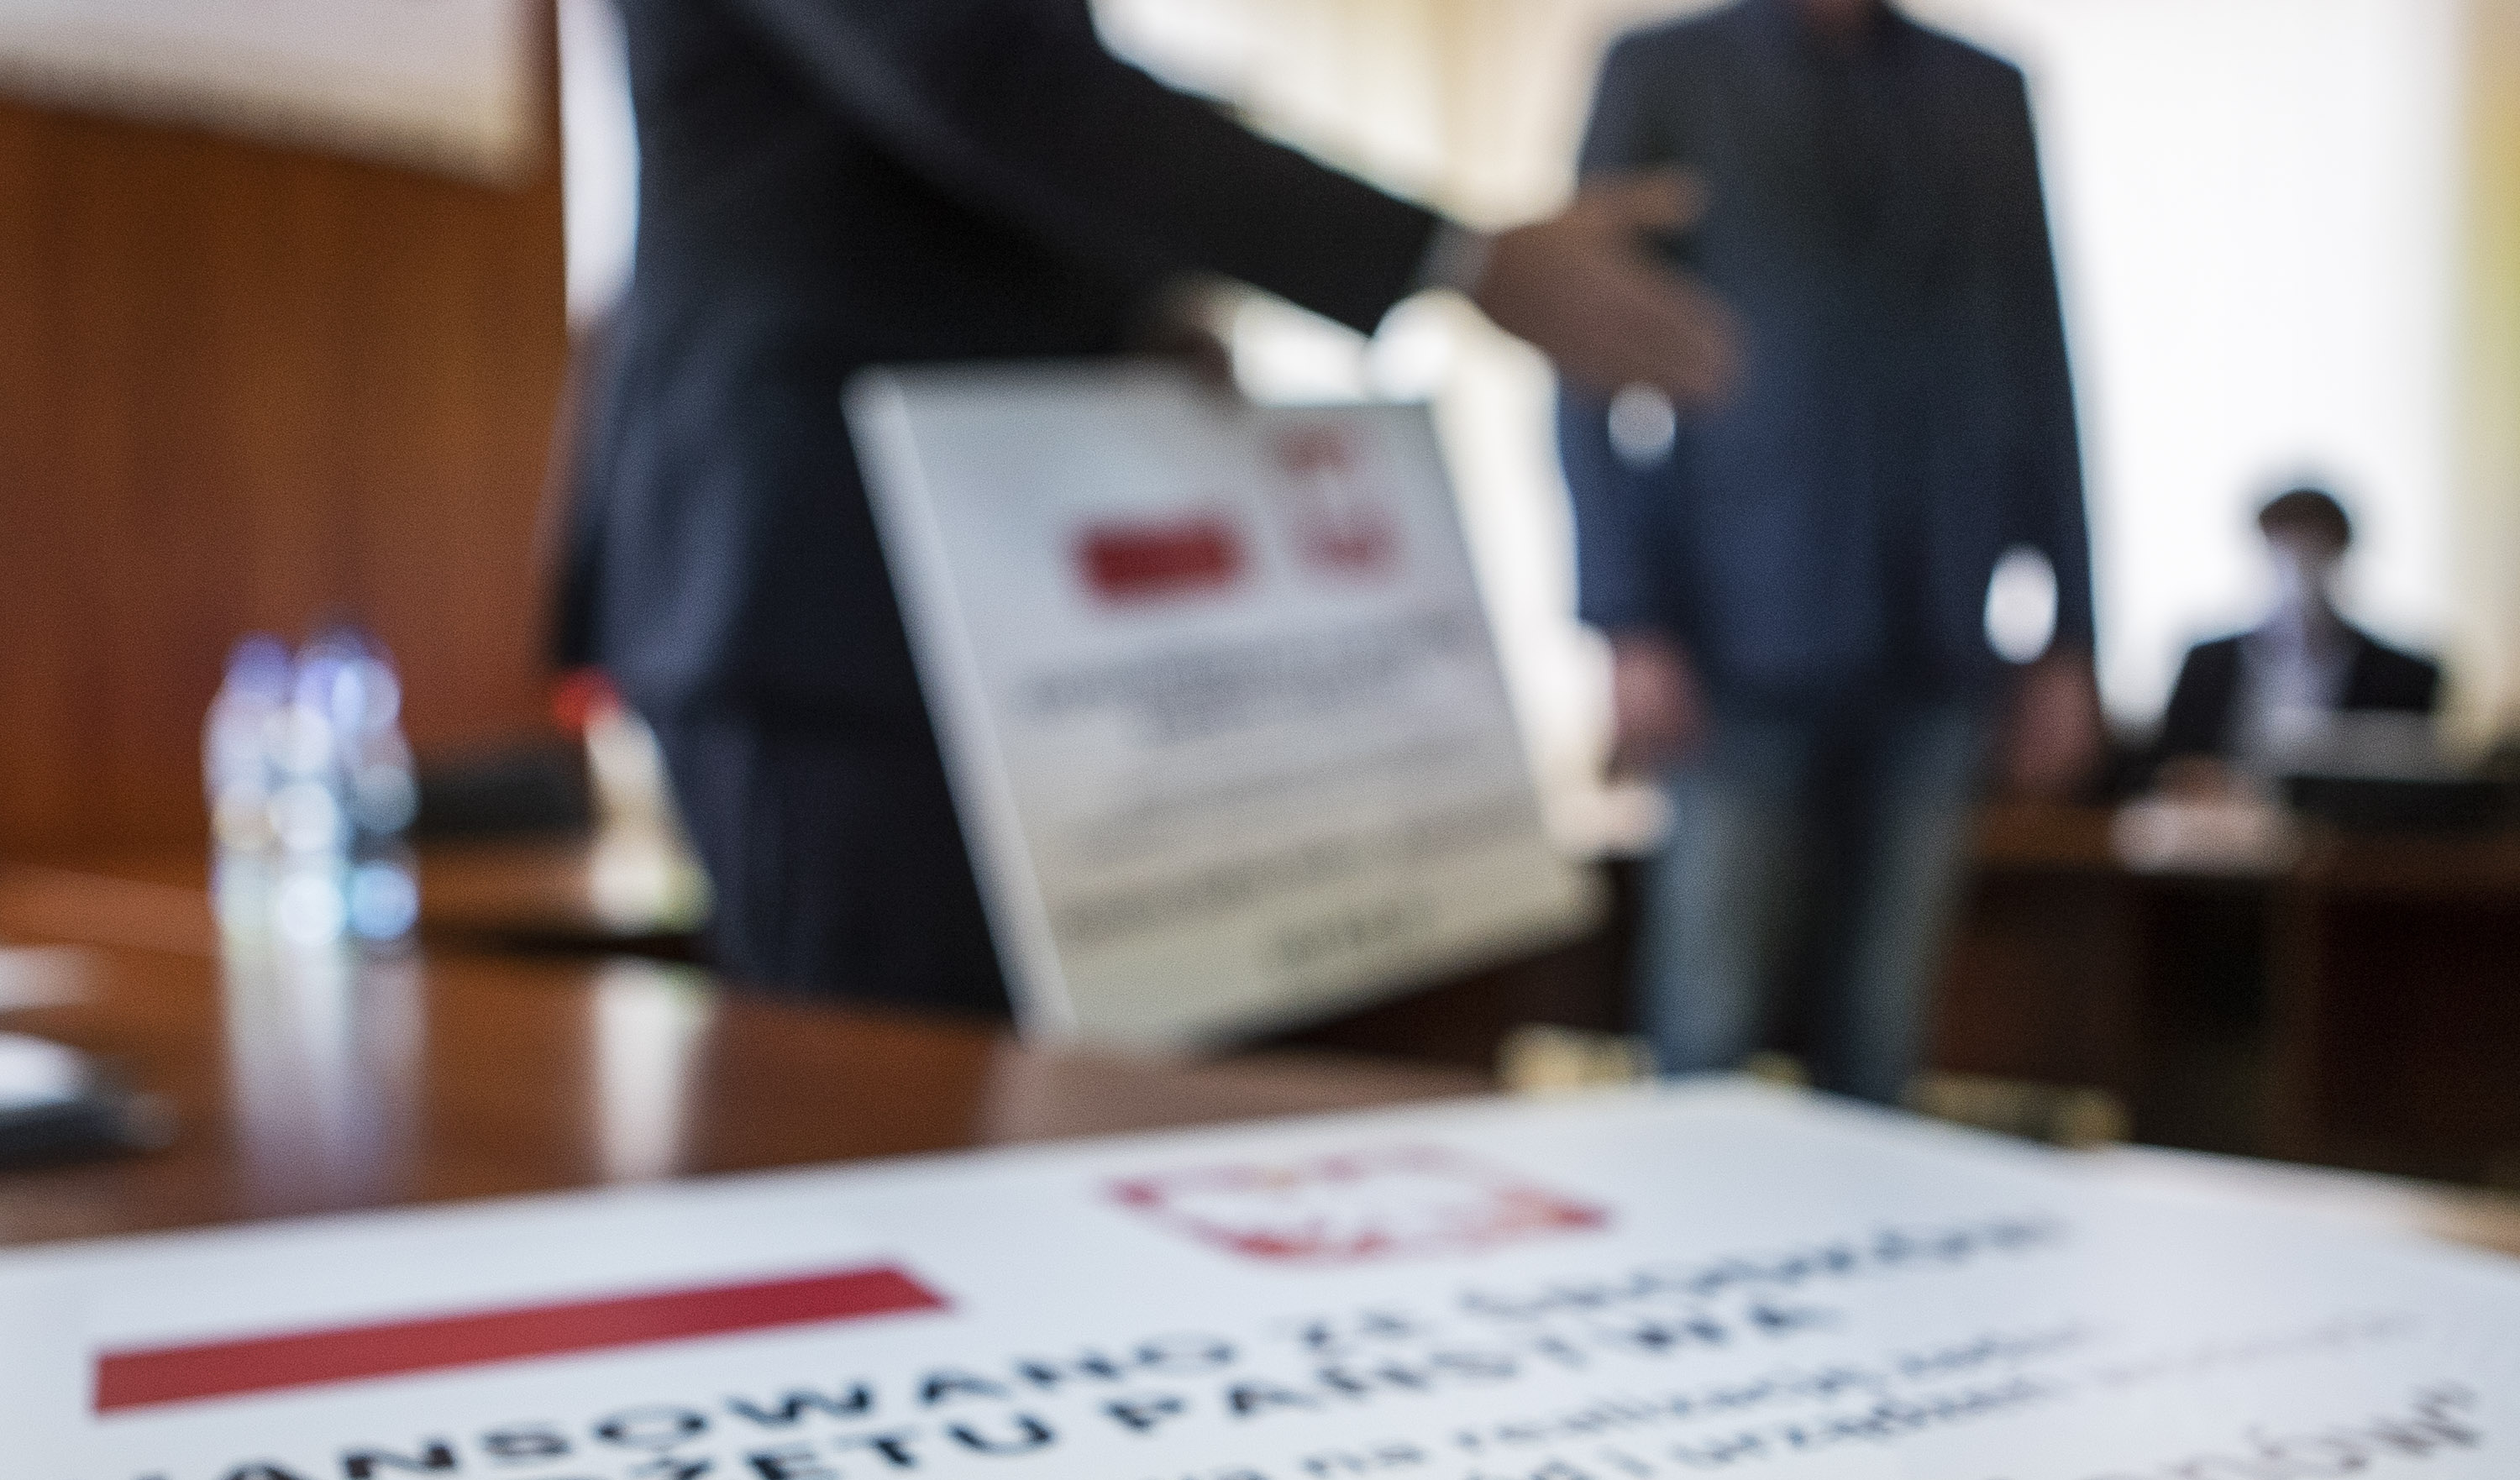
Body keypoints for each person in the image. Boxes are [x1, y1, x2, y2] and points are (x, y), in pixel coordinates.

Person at [563, 0, 1735, 1016]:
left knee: (1024, 1088)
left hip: (998, 581)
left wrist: (1133, 317)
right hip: (818, 578)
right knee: (891, 1098)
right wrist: (1455, 258)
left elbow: (952, 157)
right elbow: (985, 80)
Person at [1557, 0, 2099, 1105]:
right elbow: (1586, 373)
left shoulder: (1984, 90)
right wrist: (1628, 621)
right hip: (1731, 630)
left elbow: (2040, 358)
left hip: (1935, 632)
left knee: (1882, 1032)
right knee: (1707, 1017)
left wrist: (2071, 637)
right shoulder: (1665, 71)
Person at [2151, 486, 2441, 787]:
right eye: (2284, 545)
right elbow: (2172, 764)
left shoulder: (2406, 676)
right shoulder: (2206, 664)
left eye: (2314, 546)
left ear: (2341, 552)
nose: (2298, 562)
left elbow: (2409, 780)